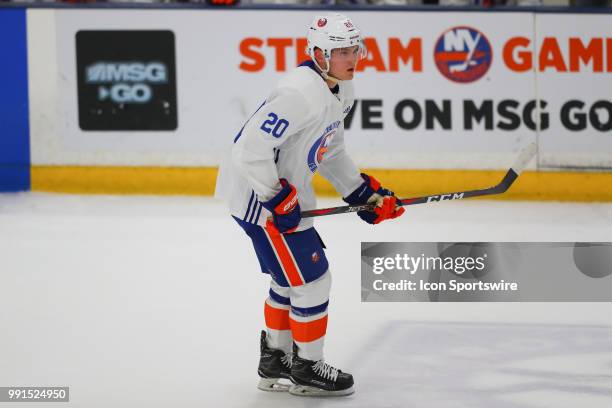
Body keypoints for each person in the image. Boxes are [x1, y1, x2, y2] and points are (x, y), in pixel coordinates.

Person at [215, 13, 405, 397]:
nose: (352, 58)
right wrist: (274, 197)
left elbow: (330, 152)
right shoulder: (299, 93)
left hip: (279, 197)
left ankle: (276, 362)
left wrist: (362, 194)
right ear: (318, 53)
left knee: (288, 280)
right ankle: (306, 367)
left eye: (354, 49)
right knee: (313, 282)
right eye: (341, 51)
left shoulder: (340, 89)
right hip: (260, 200)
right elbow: (249, 150)